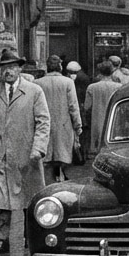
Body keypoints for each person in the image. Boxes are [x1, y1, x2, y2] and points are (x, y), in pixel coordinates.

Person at [0, 48, 50, 252]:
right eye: (4, 68)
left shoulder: (34, 92)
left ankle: (31, 236)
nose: (8, 71)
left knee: (30, 197)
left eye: (12, 67)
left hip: (27, 155)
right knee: (1, 198)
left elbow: (43, 122)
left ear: (19, 69)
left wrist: (38, 149)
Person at [35, 55, 82, 183]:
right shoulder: (68, 82)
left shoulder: (37, 83)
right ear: (60, 67)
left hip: (44, 125)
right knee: (62, 156)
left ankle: (48, 182)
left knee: (47, 157)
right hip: (64, 125)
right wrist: (78, 126)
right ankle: (60, 177)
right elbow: (73, 106)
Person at [82, 62, 121, 158]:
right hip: (114, 118)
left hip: (97, 117)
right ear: (112, 71)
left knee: (98, 142)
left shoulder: (92, 87)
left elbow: (87, 106)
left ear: (100, 72)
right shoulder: (119, 87)